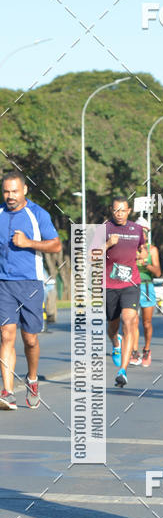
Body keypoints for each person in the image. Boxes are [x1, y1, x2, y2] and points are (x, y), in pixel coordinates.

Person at [0, 169, 61, 409]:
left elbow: (56, 245)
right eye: (6, 191)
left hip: (31, 284)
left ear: (24, 189)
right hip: (4, 283)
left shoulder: (38, 214)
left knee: (31, 340)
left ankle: (32, 379)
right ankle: (7, 391)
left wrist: (29, 243)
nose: (10, 196)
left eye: (15, 191)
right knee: (6, 336)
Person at [105, 197, 145, 388]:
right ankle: (115, 343)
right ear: (111, 211)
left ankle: (123, 370)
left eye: (122, 210)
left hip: (131, 284)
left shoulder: (137, 230)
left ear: (129, 211)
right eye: (116, 210)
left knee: (129, 321)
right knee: (112, 326)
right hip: (109, 285)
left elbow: (142, 249)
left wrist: (143, 254)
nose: (119, 214)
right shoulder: (103, 229)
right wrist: (106, 245)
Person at [130, 217, 161, 367]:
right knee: (132, 321)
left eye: (144, 231)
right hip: (132, 286)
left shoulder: (152, 250)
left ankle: (147, 349)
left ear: (147, 233)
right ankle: (134, 351)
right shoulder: (129, 249)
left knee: (146, 323)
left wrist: (146, 264)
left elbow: (158, 272)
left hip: (147, 287)